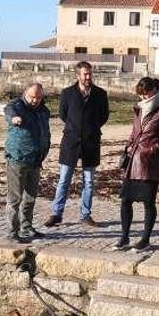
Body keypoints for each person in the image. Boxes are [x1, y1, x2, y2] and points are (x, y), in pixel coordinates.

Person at [43, 61, 109, 228]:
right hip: (71, 142)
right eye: (85, 74)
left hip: (91, 142)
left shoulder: (101, 94)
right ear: (77, 75)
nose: (88, 76)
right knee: (64, 180)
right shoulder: (67, 93)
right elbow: (63, 114)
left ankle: (85, 215)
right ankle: (57, 214)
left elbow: (104, 116)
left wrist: (90, 128)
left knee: (88, 181)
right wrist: (76, 128)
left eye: (90, 73)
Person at [113, 77, 159, 252]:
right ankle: (124, 237)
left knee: (148, 202)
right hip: (133, 160)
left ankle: (145, 239)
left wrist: (154, 148)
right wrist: (129, 145)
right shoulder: (138, 109)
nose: (144, 96)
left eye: (147, 93)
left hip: (149, 162)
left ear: (155, 89)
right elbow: (134, 131)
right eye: (142, 93)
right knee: (125, 200)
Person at [4, 82, 51, 242]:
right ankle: (12, 231)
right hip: (18, 158)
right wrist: (14, 118)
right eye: (32, 97)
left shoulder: (43, 110)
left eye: (38, 97)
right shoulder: (17, 106)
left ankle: (27, 227)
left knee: (30, 197)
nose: (35, 100)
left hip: (36, 159)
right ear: (25, 93)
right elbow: (9, 111)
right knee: (15, 198)